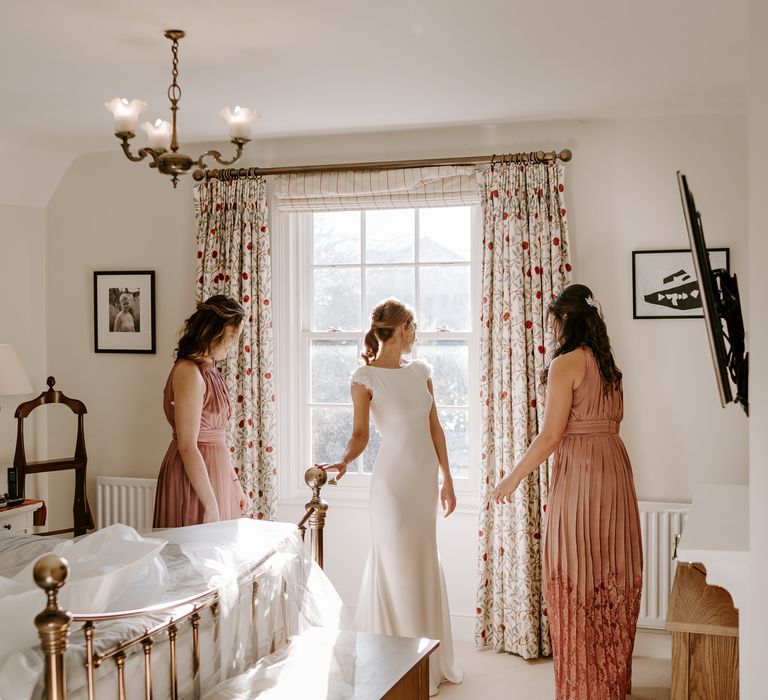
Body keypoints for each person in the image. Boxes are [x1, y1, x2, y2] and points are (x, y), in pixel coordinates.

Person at [493, 283, 643, 700]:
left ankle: (583, 688)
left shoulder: (566, 364)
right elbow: (614, 422)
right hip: (614, 468)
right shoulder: (609, 366)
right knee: (610, 568)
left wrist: (513, 477)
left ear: (565, 320)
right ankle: (609, 683)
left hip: (581, 474)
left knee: (576, 568)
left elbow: (550, 437)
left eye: (555, 320)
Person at [318, 298, 463, 697]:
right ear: (402, 329)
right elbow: (361, 434)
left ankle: (426, 659)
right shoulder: (364, 377)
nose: (416, 334)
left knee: (420, 561)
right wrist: (345, 460)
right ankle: (394, 665)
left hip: (423, 481)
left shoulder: (421, 372)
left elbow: (436, 430)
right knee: (396, 565)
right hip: (393, 485)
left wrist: (448, 479)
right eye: (414, 326)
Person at [153, 295, 247, 528]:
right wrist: (210, 504)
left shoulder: (210, 370)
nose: (234, 343)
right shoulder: (189, 373)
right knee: (193, 556)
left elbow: (219, 439)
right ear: (214, 331)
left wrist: (235, 484)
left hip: (216, 473)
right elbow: (187, 445)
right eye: (232, 335)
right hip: (194, 478)